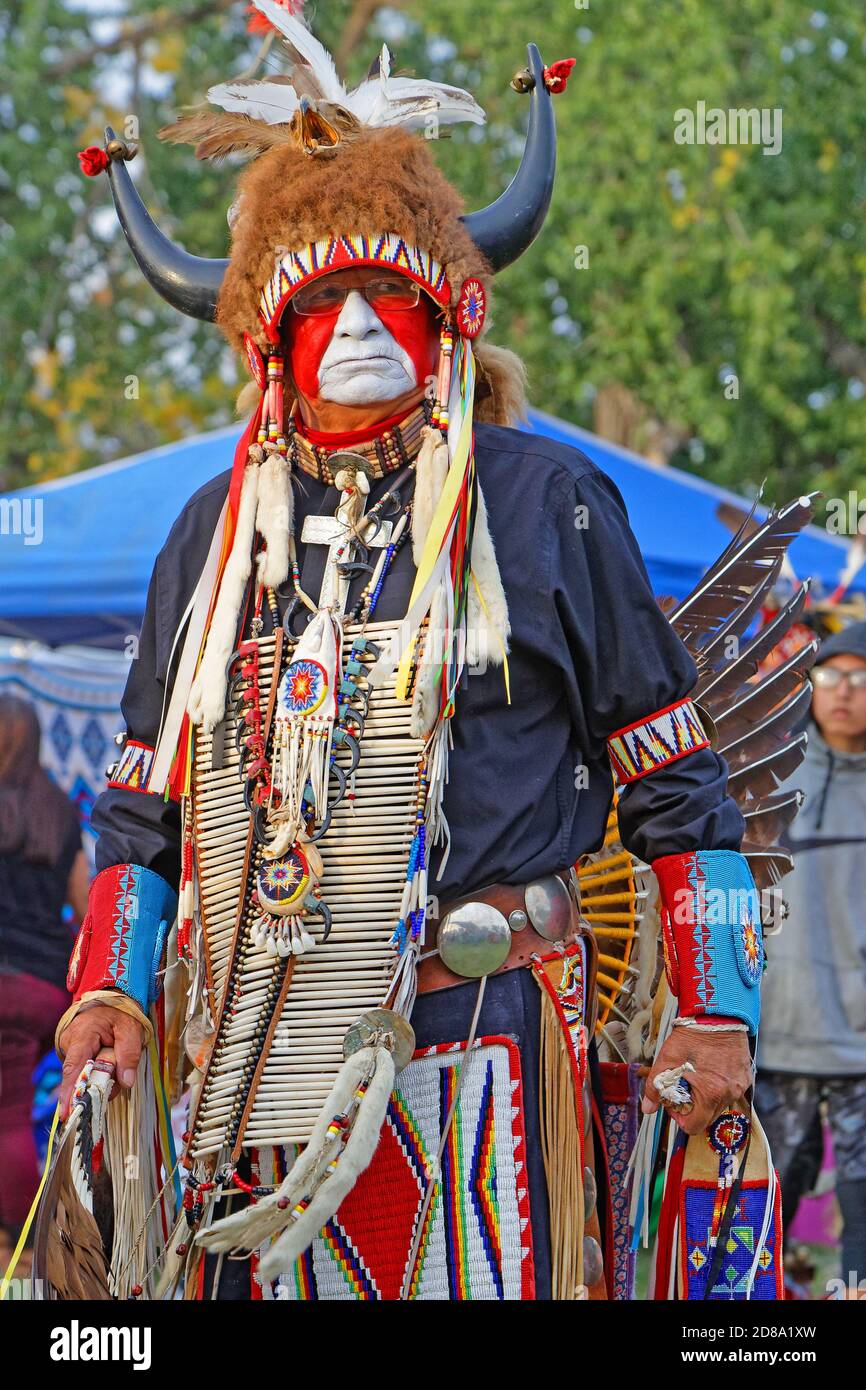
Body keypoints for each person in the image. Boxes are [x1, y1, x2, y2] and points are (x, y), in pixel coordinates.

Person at [53, 2, 767, 1301]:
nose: (364, 328)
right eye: (328, 301)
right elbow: (143, 805)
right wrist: (109, 989)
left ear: (452, 315)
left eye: (393, 294)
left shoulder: (544, 501)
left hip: (488, 1019)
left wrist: (716, 1002)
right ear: (269, 340)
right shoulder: (213, 534)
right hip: (258, 1042)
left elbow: (681, 784)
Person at [757, 620, 866, 1293]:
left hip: (862, 1043)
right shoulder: (768, 780)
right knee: (764, 1209)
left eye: (860, 678)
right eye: (830, 675)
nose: (844, 692)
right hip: (781, 1030)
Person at [0, 695, 88, 1226]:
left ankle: (21, 1235)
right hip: (39, 985)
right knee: (9, 1107)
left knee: (7, 1111)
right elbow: (85, 907)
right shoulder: (56, 807)